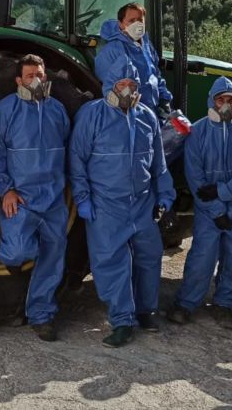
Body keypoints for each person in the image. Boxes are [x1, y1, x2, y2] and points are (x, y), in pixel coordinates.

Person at [69, 59, 176, 348]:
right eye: (122, 84)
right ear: (110, 85)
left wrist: (165, 193)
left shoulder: (146, 116)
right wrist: (83, 198)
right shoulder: (92, 116)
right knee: (111, 263)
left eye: (133, 85)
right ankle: (122, 321)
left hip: (141, 203)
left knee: (149, 256)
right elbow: (77, 160)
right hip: (106, 205)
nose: (128, 90)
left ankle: (145, 311)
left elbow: (158, 162)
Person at [167, 77, 232, 330]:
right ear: (212, 101)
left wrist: (223, 191)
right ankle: (186, 304)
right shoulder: (198, 132)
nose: (226, 105)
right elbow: (195, 176)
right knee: (202, 257)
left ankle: (225, 305)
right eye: (221, 100)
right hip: (208, 211)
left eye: (231, 100)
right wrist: (216, 210)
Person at [0, 54, 71, 341]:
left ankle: (41, 315)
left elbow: (67, 150)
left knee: (53, 258)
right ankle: (18, 288)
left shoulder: (58, 110)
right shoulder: (5, 110)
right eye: (29, 75)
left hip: (53, 199)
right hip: (20, 198)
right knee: (17, 252)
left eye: (40, 73)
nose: (36, 79)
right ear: (18, 81)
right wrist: (5, 190)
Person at [95, 3, 174, 115]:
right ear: (121, 24)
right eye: (131, 21)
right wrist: (130, 109)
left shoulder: (146, 45)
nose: (137, 24)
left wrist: (164, 99)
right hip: (132, 113)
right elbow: (111, 89)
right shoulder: (112, 51)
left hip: (152, 110)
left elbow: (155, 74)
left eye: (140, 20)